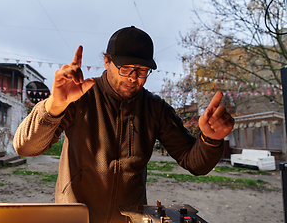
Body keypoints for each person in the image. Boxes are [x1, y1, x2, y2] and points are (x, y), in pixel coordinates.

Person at [13, 26, 235, 223]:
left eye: (142, 70)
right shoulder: (79, 96)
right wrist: (53, 105)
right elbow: (26, 147)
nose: (133, 77)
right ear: (107, 61)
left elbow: (195, 163)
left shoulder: (155, 108)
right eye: (126, 68)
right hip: (76, 217)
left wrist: (210, 139)